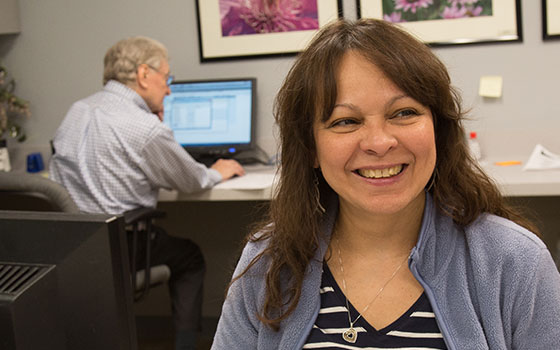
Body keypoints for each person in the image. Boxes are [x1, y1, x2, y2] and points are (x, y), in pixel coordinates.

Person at [211, 18, 560, 349]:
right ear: (310, 148)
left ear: (438, 129)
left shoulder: (515, 263)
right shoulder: (269, 264)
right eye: (346, 121)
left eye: (403, 113)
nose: (379, 143)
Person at [49, 36, 244, 350]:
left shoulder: (78, 110)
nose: (168, 89)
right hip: (121, 248)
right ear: (143, 75)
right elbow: (190, 180)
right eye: (166, 79)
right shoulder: (144, 127)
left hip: (71, 247)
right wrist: (217, 171)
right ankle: (186, 345)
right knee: (190, 256)